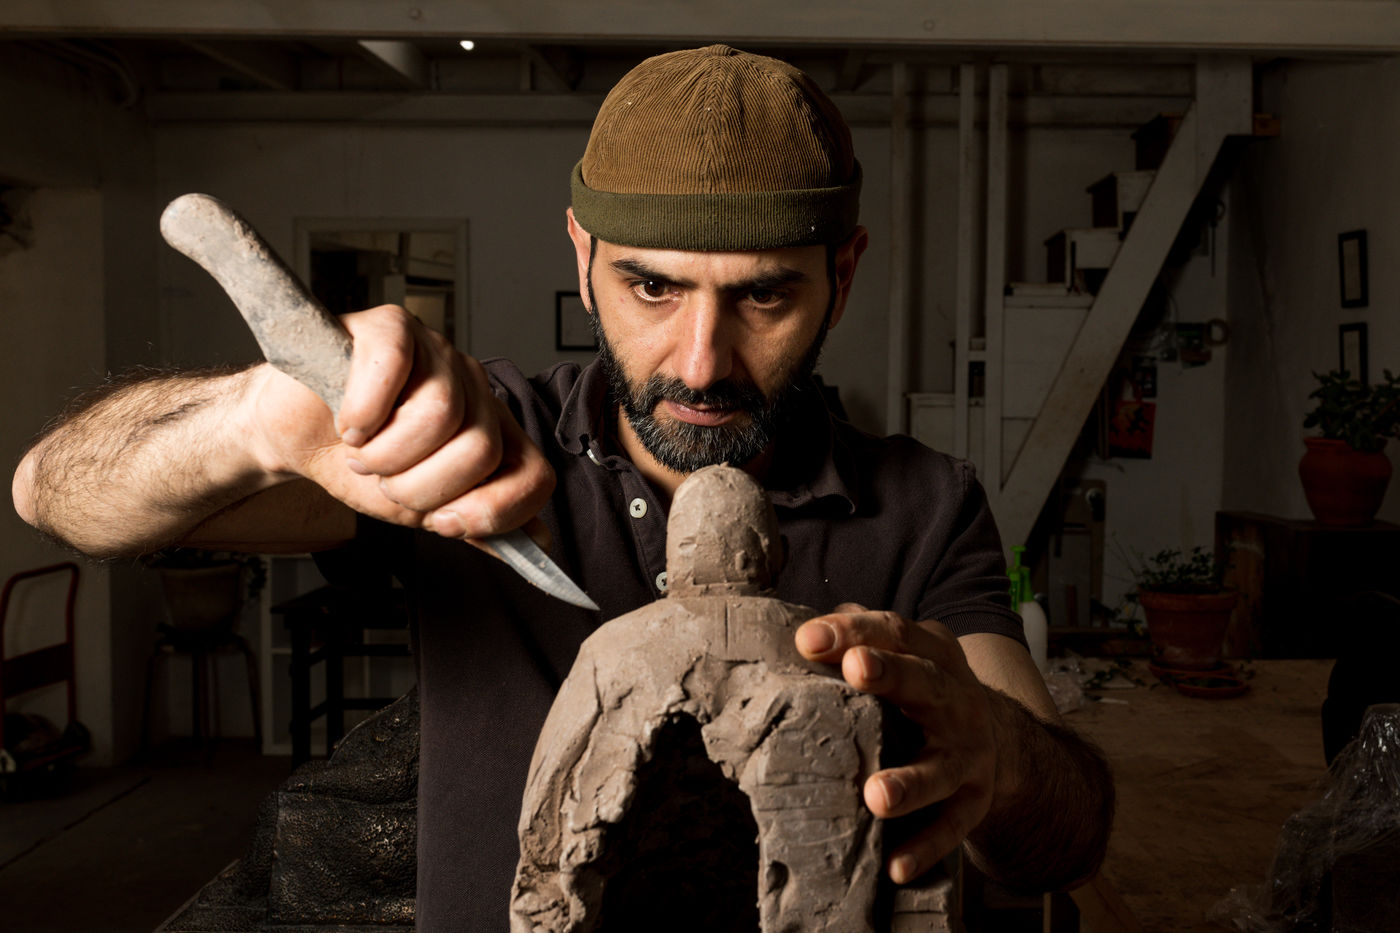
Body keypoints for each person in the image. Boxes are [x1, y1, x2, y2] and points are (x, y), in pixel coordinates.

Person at [12, 45, 1111, 931]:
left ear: (844, 273)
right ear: (582, 255)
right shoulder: (460, 449)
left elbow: (1065, 841)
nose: (700, 362)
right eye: (651, 287)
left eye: (764, 296)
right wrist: (258, 425)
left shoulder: (923, 506)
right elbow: (55, 495)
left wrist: (1003, 755)